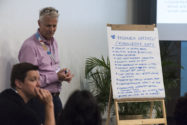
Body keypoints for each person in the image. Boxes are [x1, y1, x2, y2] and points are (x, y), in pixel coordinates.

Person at [18, 7, 73, 121]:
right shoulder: (30, 46)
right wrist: (56, 76)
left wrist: (62, 75)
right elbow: (29, 82)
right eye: (48, 25)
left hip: (55, 98)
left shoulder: (54, 42)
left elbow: (52, 69)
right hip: (38, 102)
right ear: (39, 23)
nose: (52, 29)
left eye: (54, 26)